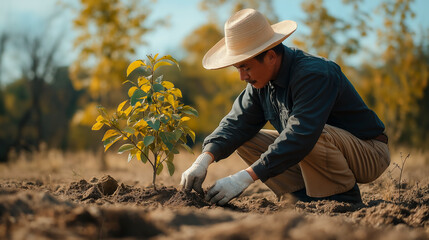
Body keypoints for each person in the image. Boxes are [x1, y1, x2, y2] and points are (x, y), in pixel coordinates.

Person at [180, 8, 390, 205]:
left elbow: (301, 134)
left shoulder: (314, 74)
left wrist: (244, 178)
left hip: (369, 152)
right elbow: (235, 124)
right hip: (320, 151)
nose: (242, 76)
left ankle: (341, 198)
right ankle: (301, 196)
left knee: (312, 132)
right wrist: (203, 160)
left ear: (270, 56)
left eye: (246, 67)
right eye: (238, 68)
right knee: (244, 139)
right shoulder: (260, 83)